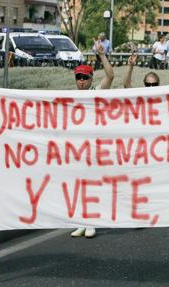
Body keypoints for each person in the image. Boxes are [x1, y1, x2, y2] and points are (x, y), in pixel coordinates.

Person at [70, 46, 113, 238]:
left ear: (91, 79)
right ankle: (82, 221)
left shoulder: (97, 92)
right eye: (79, 77)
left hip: (94, 149)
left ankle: (92, 222)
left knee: (92, 185)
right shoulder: (69, 97)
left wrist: (102, 55)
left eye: (85, 78)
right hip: (77, 149)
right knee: (78, 186)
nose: (81, 81)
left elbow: (110, 76)